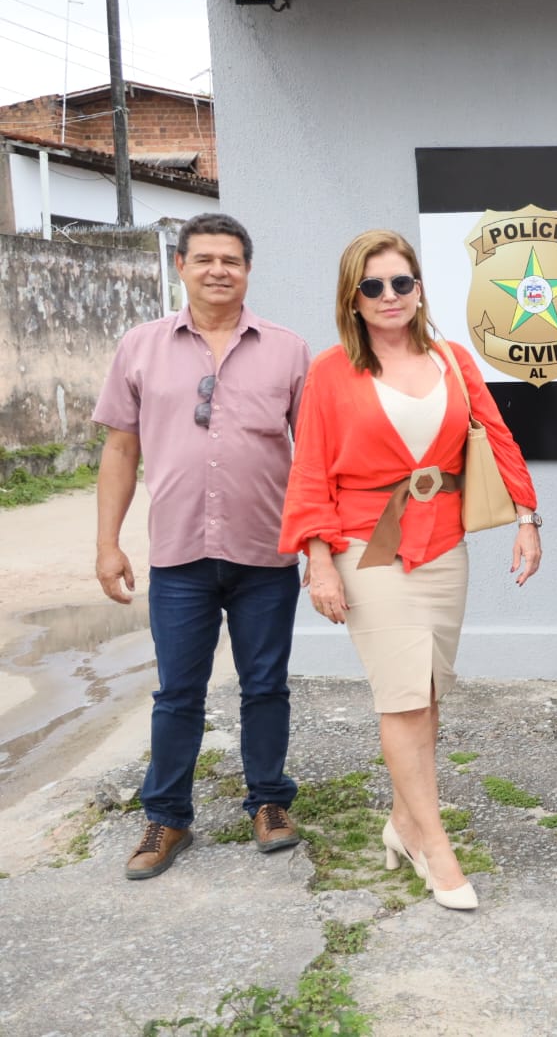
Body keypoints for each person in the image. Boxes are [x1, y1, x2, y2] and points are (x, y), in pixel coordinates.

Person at [279, 229, 542, 911]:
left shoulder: (452, 359)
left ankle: (402, 821)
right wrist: (318, 561)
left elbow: (498, 437)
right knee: (400, 697)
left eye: (402, 282)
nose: (389, 295)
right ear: (353, 299)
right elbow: (310, 470)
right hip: (367, 547)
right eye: (373, 286)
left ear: (419, 289)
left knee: (425, 694)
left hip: (444, 545)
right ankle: (434, 845)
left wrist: (527, 518)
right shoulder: (330, 371)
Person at [93, 213, 310, 880]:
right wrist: (107, 543)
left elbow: (315, 457)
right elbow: (120, 449)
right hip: (180, 555)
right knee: (177, 693)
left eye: (232, 260)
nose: (219, 270)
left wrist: (321, 545)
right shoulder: (140, 347)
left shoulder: (288, 350)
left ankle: (269, 802)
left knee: (265, 686)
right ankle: (167, 817)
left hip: (266, 554)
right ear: (180, 265)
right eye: (206, 258)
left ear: (248, 270)